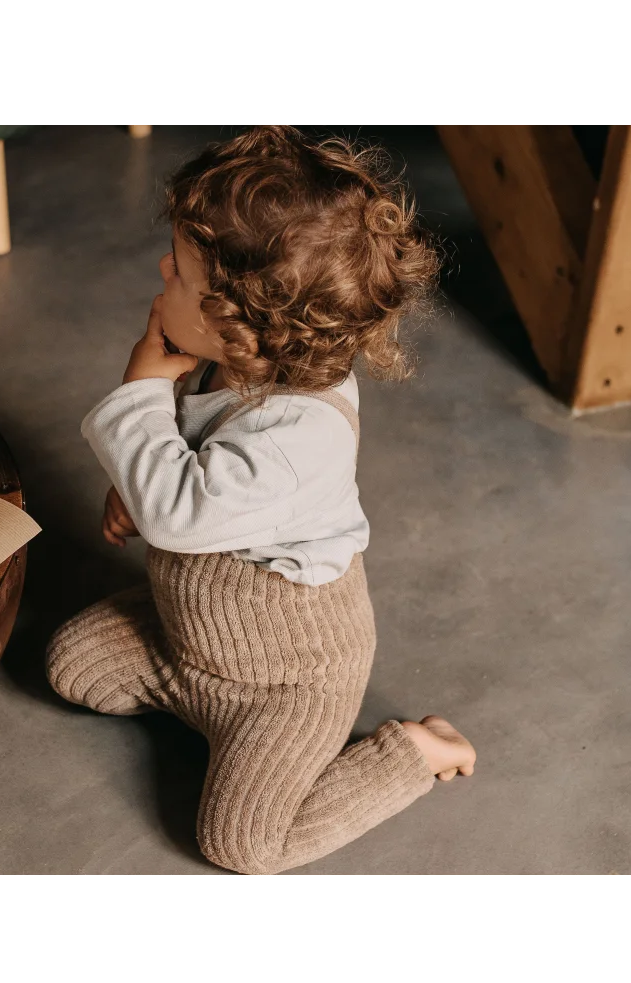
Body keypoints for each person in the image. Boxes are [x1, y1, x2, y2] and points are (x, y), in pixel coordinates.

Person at [47, 124, 475, 875]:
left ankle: (413, 752)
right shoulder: (231, 365)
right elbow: (183, 460)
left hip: (286, 681)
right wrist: (134, 486)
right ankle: (200, 704)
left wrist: (141, 384)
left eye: (180, 274)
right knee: (71, 666)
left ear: (241, 324)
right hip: (195, 648)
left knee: (244, 846)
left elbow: (182, 510)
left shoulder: (296, 439)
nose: (161, 272)